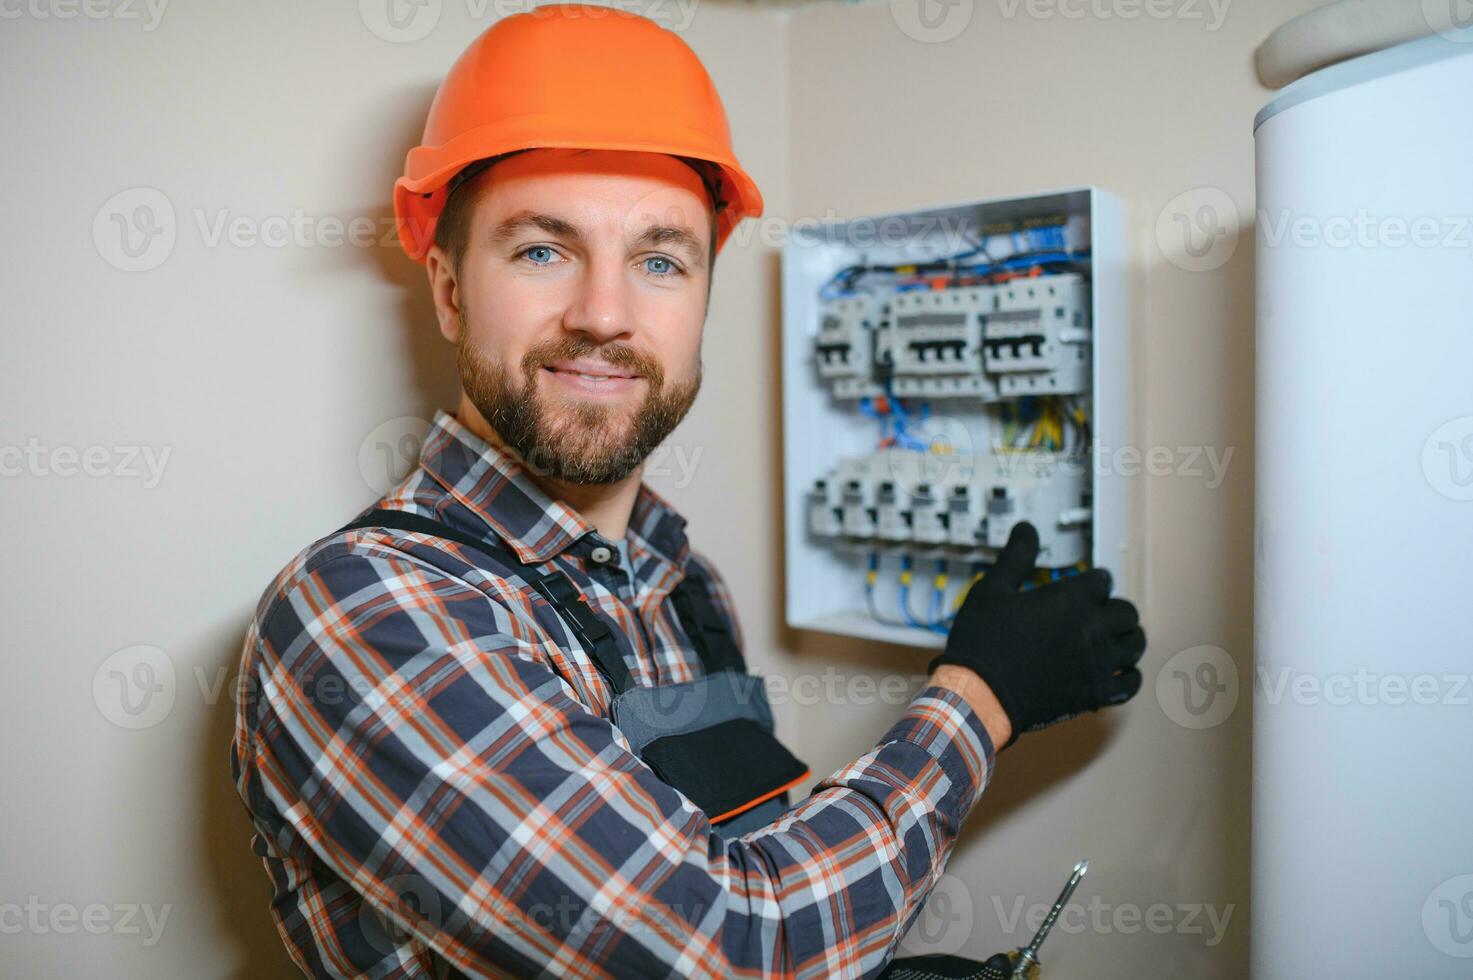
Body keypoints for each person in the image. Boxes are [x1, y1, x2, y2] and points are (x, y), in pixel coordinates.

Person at [229, 6, 1146, 977]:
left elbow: (740, 871)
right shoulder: (362, 612)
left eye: (660, 259)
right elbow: (733, 949)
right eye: (543, 248)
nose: (606, 314)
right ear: (450, 287)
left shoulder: (686, 586)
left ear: (704, 295)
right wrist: (977, 698)